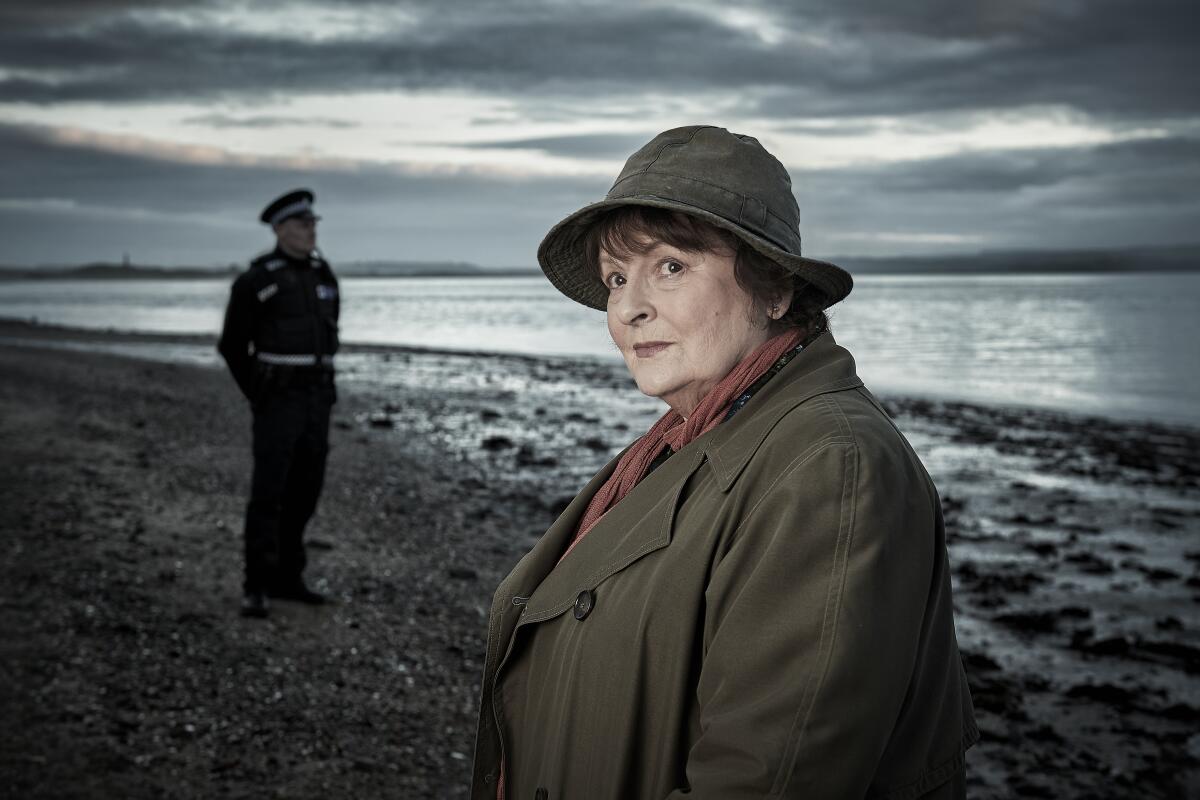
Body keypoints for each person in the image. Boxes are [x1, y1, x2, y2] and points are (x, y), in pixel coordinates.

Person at [470, 126, 977, 798]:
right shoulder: (692, 432)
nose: (628, 308)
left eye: (670, 267)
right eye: (616, 278)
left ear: (772, 290)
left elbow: (768, 779)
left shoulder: (833, 467)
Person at [218, 189, 339, 619]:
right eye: (302, 224)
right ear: (280, 229)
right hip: (278, 399)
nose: (311, 230)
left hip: (316, 399)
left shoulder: (323, 274)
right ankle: (257, 584)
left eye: (313, 224)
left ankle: (289, 577)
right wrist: (261, 394)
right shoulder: (256, 280)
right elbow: (232, 346)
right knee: (269, 494)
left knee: (306, 492)